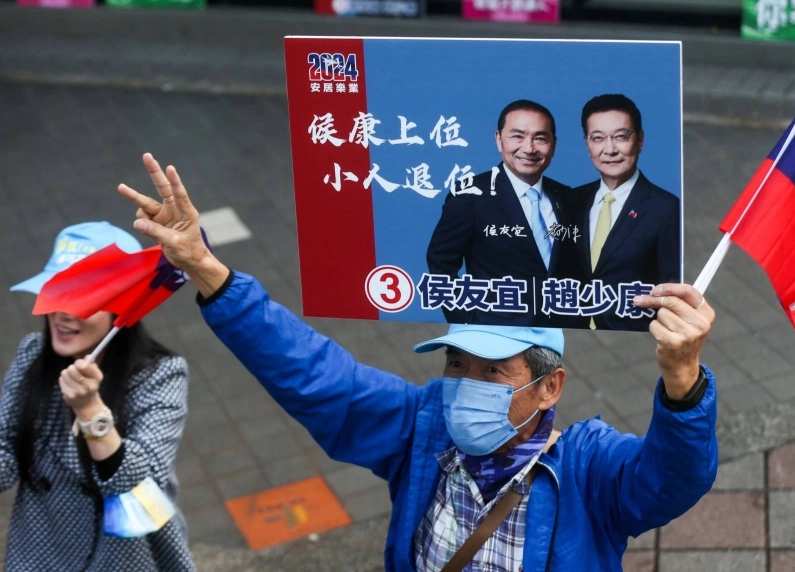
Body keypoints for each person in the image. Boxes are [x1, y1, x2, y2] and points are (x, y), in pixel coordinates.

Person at [120, 153, 719, 572]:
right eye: (456, 365)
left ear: (548, 386)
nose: (464, 386)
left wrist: (682, 378)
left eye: (492, 372)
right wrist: (207, 270)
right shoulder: (421, 427)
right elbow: (315, 375)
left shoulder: (589, 470)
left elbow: (673, 478)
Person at [3, 221, 194, 571]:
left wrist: (90, 411)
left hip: (130, 554)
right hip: (42, 550)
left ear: (122, 308)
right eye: (56, 291)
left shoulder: (161, 373)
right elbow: (5, 456)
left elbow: (137, 482)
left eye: (83, 297)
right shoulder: (32, 353)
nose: (63, 312)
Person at [426, 100, 576, 326]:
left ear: (553, 144)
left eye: (540, 138)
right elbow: (440, 266)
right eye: (518, 136)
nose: (529, 148)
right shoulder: (470, 196)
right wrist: (467, 322)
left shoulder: (567, 197)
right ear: (499, 138)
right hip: (494, 330)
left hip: (563, 328)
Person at [569, 94, 681, 331]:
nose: (609, 149)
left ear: (640, 139)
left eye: (621, 136)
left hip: (631, 335)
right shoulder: (572, 200)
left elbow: (669, 287)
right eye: (597, 138)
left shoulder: (665, 208)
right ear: (587, 144)